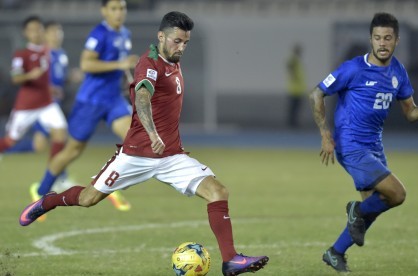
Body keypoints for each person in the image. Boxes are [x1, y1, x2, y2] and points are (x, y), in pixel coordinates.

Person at [19, 11, 269, 276]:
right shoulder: (149, 63)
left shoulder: (172, 61)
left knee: (218, 192)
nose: (181, 47)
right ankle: (48, 202)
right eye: (176, 41)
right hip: (136, 155)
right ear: (161, 36)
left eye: (186, 42)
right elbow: (141, 97)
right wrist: (152, 134)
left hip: (171, 157)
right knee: (87, 198)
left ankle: (230, 261)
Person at [308, 12, 418, 272]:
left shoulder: (398, 71)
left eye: (387, 38)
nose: (382, 43)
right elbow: (317, 94)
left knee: (374, 207)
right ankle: (356, 211)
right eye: (377, 38)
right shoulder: (353, 68)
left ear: (396, 40)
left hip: (375, 146)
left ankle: (335, 252)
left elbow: (410, 112)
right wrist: (325, 134)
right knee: (397, 194)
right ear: (370, 40)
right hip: (351, 145)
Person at [31, 0, 140, 213]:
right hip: (90, 101)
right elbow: (86, 64)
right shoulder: (99, 33)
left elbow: (120, 67)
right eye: (114, 9)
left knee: (134, 140)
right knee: (72, 150)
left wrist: (127, 80)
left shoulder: (124, 33)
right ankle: (41, 190)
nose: (119, 13)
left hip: (113, 100)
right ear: (104, 11)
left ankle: (107, 182)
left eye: (122, 8)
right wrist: (121, 64)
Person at [0, 15, 67, 170]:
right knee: (11, 140)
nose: (36, 32)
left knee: (61, 133)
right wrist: (30, 75)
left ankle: (53, 176)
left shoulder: (46, 51)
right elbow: (15, 78)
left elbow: (43, 79)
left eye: (39, 29)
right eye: (32, 30)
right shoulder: (21, 54)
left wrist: (51, 88)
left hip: (46, 103)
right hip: (27, 106)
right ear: (26, 33)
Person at [286, 43, 307, 128]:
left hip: (299, 89)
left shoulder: (297, 60)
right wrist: (293, 76)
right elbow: (289, 66)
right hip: (294, 89)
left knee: (296, 108)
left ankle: (294, 122)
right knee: (294, 108)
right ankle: (292, 123)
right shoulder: (294, 60)